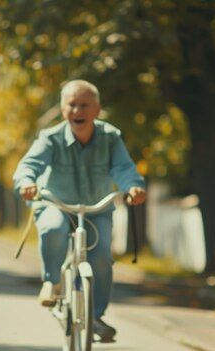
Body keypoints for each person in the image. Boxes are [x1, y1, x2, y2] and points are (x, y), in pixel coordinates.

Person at [13, 79, 146, 342]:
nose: (77, 111)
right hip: (56, 204)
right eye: (71, 105)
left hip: (97, 209)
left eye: (84, 105)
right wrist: (27, 182)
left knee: (102, 257)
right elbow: (29, 165)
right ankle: (52, 282)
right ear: (63, 110)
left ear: (97, 110)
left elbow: (124, 168)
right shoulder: (50, 138)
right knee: (53, 227)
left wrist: (133, 187)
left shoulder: (110, 137)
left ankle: (95, 317)